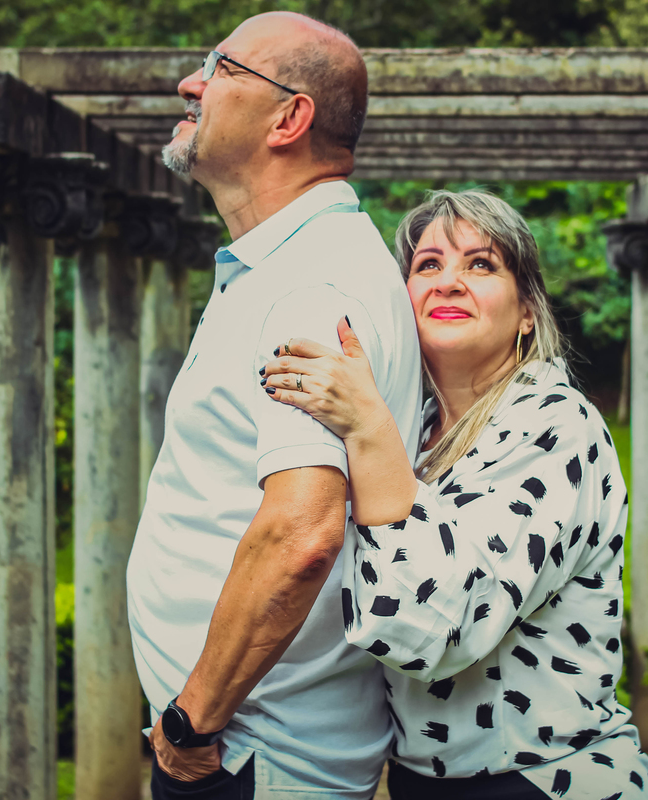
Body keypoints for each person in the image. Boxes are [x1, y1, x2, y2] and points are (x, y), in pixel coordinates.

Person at [260, 189, 648, 800]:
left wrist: (366, 426)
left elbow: (442, 629)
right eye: (428, 265)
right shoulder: (413, 428)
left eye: (481, 264)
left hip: (544, 782)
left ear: (527, 311)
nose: (448, 281)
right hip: (423, 782)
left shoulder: (556, 423)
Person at [125, 12, 423, 800]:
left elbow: (302, 534)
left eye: (221, 69)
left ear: (289, 119)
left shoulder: (311, 286)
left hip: (248, 753)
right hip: (250, 746)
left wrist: (191, 722)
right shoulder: (289, 263)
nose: (191, 84)